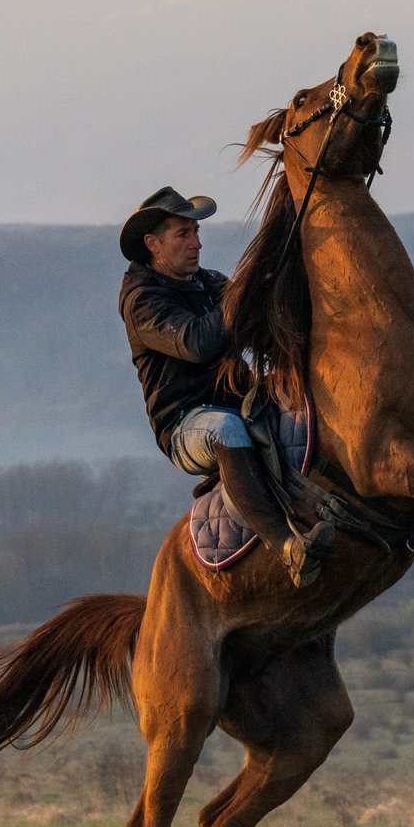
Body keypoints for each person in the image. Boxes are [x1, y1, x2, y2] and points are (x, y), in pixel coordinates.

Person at [118, 186, 334, 585]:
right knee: (226, 428)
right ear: (153, 244)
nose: (197, 243)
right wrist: (244, 293)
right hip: (187, 427)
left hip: (240, 401)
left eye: (196, 233)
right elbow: (199, 343)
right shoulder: (141, 302)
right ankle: (287, 545)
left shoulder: (211, 283)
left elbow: (259, 330)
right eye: (183, 234)